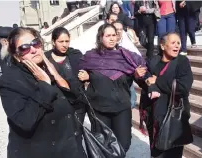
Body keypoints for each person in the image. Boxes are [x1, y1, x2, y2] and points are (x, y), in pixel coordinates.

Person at [0, 27, 87, 158]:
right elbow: (25, 121)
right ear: (17, 56)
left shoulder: (50, 67)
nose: (33, 49)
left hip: (70, 148)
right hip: (40, 151)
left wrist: (55, 73)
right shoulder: (9, 81)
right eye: (24, 48)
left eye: (35, 43)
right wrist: (44, 85)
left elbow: (76, 101)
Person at [78, 23, 147, 152]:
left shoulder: (128, 57)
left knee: (124, 143)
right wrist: (86, 76)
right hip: (99, 108)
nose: (111, 38)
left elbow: (144, 74)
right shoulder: (91, 57)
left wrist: (137, 76)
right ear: (100, 38)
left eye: (114, 35)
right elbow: (77, 72)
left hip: (121, 107)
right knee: (102, 144)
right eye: (107, 35)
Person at [139, 32, 193, 158]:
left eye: (178, 43)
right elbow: (146, 78)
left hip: (174, 116)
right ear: (163, 46)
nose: (177, 46)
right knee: (156, 152)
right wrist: (142, 77)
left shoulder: (182, 62)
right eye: (173, 43)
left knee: (172, 152)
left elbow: (183, 87)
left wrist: (157, 81)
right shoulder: (153, 61)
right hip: (154, 115)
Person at [45, 27, 86, 127]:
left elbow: (87, 70)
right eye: (61, 41)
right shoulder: (45, 58)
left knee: (77, 135)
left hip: (77, 103)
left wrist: (86, 75)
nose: (65, 45)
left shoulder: (75, 55)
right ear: (53, 42)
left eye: (67, 41)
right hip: (56, 105)